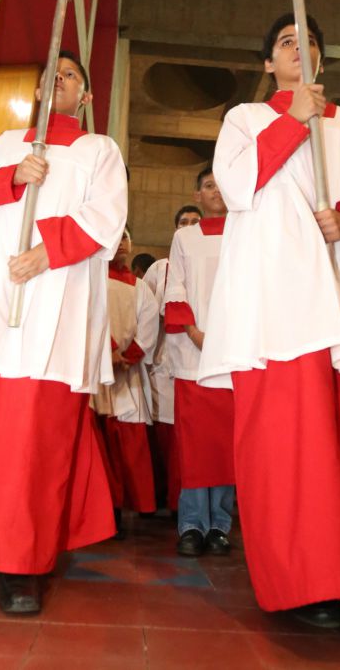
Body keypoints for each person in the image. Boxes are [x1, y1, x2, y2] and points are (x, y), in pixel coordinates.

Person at [198, 13, 340, 658]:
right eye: (285, 43)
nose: (299, 50)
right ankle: (312, 584)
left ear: (324, 64)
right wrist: (291, 119)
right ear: (269, 63)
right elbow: (239, 186)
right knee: (291, 452)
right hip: (279, 309)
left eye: (311, 45)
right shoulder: (245, 121)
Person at [0, 52, 127, 615]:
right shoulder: (8, 142)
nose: (57, 81)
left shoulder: (98, 150)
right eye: (50, 75)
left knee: (34, 435)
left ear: (84, 97)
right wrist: (12, 176)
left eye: (69, 76)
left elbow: (106, 220)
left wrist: (47, 252)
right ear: (37, 89)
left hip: (52, 306)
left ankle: (24, 563)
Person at [164, 169, 235, 557]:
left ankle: (220, 525)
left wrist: (229, 335)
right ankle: (191, 524)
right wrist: (192, 330)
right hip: (193, 352)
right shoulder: (184, 237)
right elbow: (176, 286)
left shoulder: (248, 232)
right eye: (209, 185)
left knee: (225, 445)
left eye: (221, 184)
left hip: (233, 351)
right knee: (194, 444)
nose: (216, 191)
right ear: (198, 193)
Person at [94, 226, 159, 535]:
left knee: (127, 443)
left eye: (126, 237)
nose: (121, 242)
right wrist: (107, 352)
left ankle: (121, 508)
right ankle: (101, 509)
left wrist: (127, 357)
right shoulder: (91, 279)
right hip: (95, 371)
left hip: (126, 374)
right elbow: (88, 317)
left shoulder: (141, 287)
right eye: (116, 235)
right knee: (100, 442)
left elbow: (148, 328)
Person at [142, 204, 203, 512]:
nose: (189, 226)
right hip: (167, 356)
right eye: (183, 222)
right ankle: (168, 496)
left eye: (195, 221)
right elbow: (150, 313)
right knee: (167, 433)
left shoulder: (213, 258)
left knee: (196, 436)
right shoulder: (161, 267)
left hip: (204, 353)